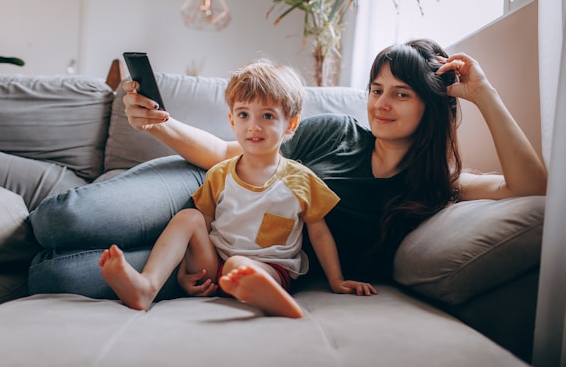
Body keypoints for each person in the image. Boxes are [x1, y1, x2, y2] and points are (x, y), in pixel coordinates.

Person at [28, 39, 546, 300]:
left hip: (235, 251)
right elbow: (227, 153)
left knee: (49, 273)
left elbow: (534, 188)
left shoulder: (435, 187)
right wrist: (160, 125)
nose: (381, 104)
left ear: (431, 106)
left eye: (401, 94)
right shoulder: (338, 131)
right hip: (209, 185)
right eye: (376, 89)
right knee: (57, 223)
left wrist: (483, 94)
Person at [97, 59, 376, 317]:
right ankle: (147, 286)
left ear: (290, 124)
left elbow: (320, 234)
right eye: (244, 115)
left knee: (237, 265)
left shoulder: (301, 179)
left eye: (267, 116)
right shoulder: (220, 174)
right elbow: (200, 230)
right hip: (215, 263)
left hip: (269, 270)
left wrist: (336, 280)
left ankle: (274, 299)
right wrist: (184, 273)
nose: (253, 126)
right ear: (232, 121)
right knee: (188, 217)